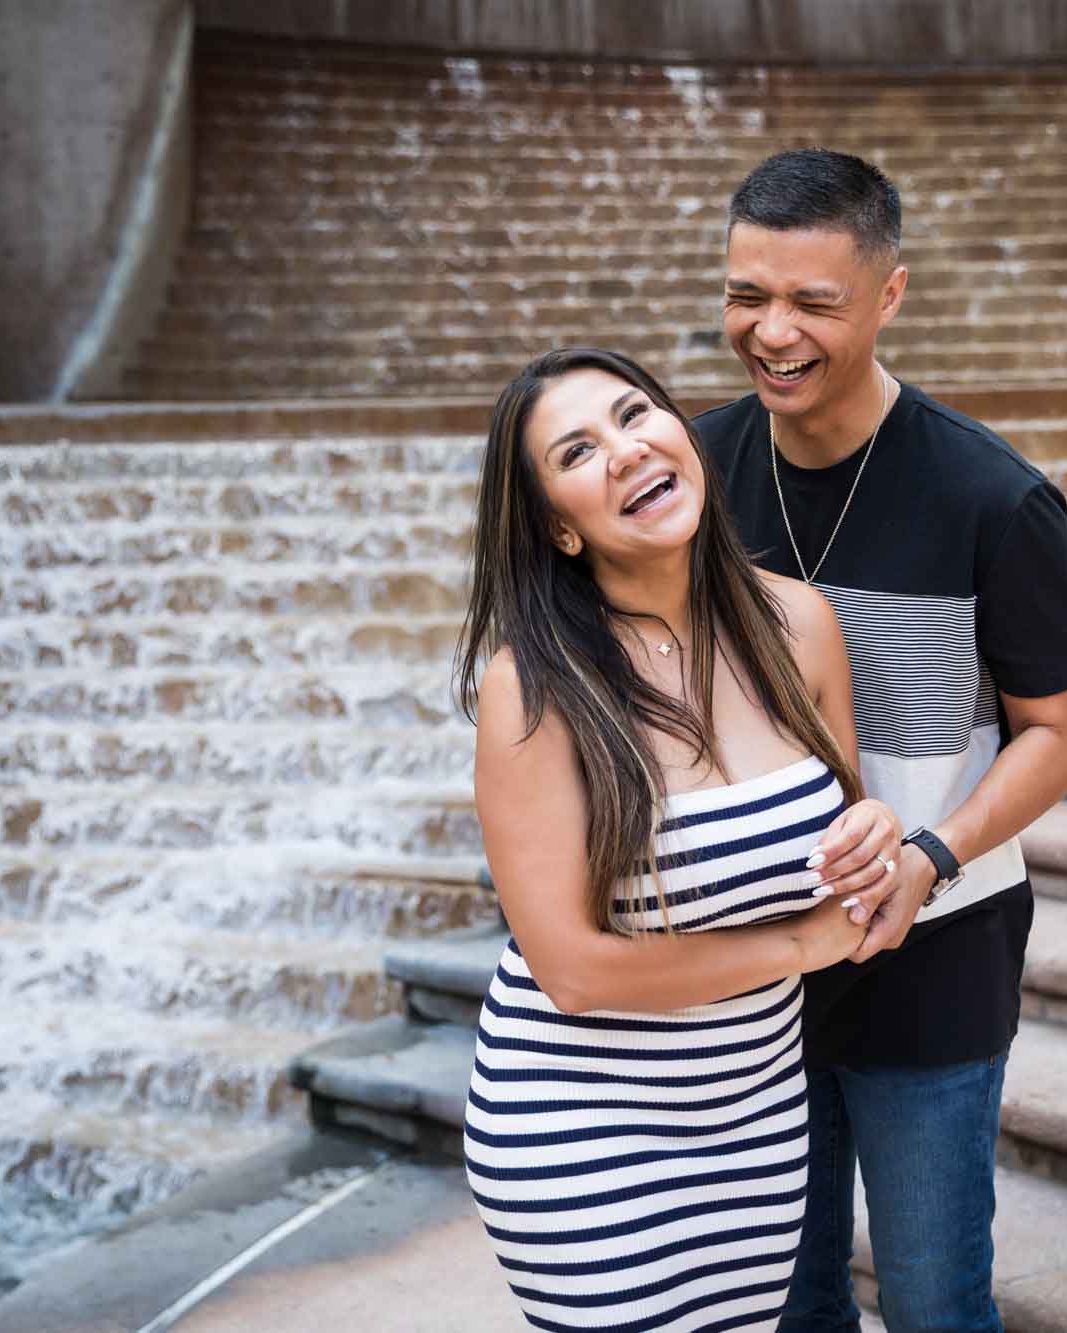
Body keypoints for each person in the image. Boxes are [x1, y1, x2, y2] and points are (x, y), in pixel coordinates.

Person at [694, 149, 1067, 1332]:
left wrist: (932, 849)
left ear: (888, 294)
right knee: (786, 1301)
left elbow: (1059, 735)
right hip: (751, 971)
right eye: (745, 295)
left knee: (929, 1300)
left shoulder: (993, 499)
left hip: (937, 958)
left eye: (812, 302)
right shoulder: (691, 472)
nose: (771, 332)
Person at [456, 346, 914, 1332]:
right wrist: (796, 949)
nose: (624, 450)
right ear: (557, 529)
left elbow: (834, 859)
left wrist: (872, 835)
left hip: (750, 1113)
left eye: (633, 415)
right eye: (577, 450)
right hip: (580, 1125)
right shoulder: (533, 688)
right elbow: (571, 969)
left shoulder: (797, 621)